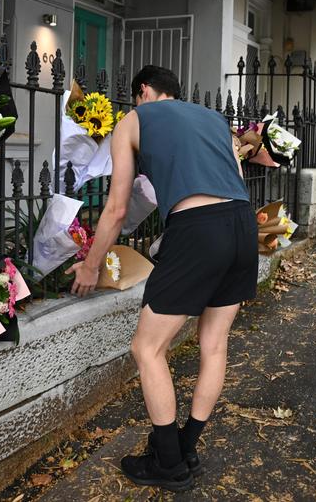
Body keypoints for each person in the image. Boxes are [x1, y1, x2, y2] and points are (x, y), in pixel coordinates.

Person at [65, 65, 258, 492]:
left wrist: (92, 264)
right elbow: (237, 181)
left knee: (147, 348)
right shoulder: (215, 119)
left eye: (137, 97)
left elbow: (116, 209)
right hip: (243, 225)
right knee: (214, 345)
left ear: (144, 92)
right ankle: (185, 447)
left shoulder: (133, 120)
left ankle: (168, 466)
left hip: (198, 231)